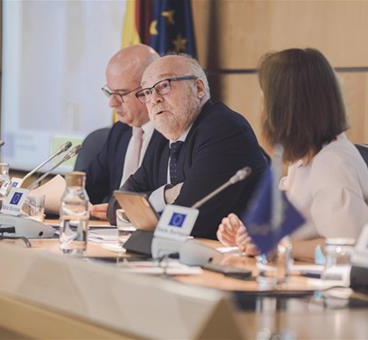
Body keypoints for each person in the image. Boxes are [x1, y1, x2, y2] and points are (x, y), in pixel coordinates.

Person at [217, 48, 368, 261]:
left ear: (287, 108)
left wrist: (276, 245)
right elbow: (285, 227)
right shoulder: (303, 156)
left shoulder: (332, 165)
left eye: (267, 100)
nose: (264, 110)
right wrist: (247, 233)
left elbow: (346, 251)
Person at [107, 54, 268, 239]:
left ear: (198, 88)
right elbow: (116, 206)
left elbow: (191, 219)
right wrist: (166, 196)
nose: (154, 99)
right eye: (147, 92)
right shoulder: (163, 137)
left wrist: (140, 212)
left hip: (235, 256)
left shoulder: (223, 130)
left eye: (164, 86)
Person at [86, 45, 159, 219]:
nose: (112, 103)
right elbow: (89, 189)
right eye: (109, 92)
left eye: (121, 93)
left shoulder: (170, 136)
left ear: (148, 91)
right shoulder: (120, 132)